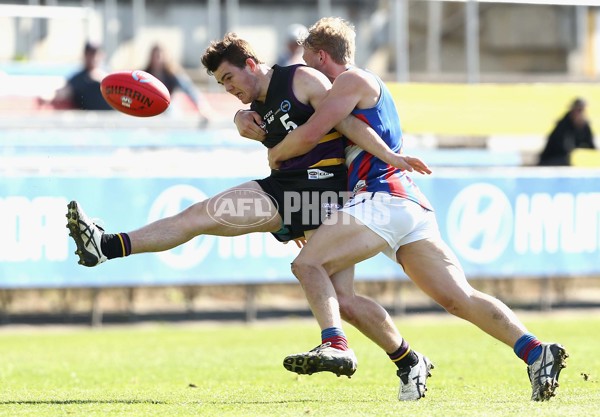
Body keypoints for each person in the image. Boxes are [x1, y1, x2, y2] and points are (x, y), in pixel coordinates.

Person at [242, 17, 567, 402]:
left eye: (309, 62)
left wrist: (273, 151)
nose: (305, 73)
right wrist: (241, 113)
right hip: (401, 200)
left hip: (382, 198)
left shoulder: (349, 81)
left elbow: (310, 132)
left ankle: (336, 345)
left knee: (308, 266)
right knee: (456, 298)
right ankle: (534, 352)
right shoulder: (355, 86)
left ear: (322, 55)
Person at [66, 33, 425, 289]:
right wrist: (242, 121)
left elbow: (345, 124)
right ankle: (404, 358)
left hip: (324, 193)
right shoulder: (253, 111)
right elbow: (280, 147)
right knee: (197, 217)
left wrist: (391, 155)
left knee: (199, 218)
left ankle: (342, 344)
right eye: (221, 83)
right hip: (292, 193)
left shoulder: (302, 79)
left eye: (229, 78)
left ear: (251, 64)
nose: (228, 89)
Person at [143, 44, 212, 124]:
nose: (157, 59)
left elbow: (190, 90)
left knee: (172, 111)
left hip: (166, 108)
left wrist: (202, 109)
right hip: (147, 106)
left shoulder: (172, 75)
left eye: (159, 56)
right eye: (154, 56)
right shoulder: (144, 75)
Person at [49, 41, 113, 111]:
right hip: (86, 119)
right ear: (85, 55)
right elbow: (63, 93)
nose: (93, 58)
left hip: (111, 119)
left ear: (102, 55)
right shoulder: (77, 79)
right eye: (90, 54)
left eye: (96, 54)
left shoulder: (109, 77)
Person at [538, 98, 595, 166]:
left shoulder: (585, 126)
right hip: (554, 159)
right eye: (578, 110)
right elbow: (561, 147)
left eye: (582, 110)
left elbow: (591, 146)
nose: (580, 113)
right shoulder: (563, 125)